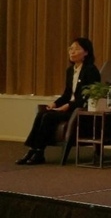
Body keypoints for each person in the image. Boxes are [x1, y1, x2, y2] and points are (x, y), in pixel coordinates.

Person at [16, 37, 101, 165]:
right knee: (42, 113)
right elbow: (67, 94)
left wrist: (68, 106)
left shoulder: (91, 70)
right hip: (68, 108)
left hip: (79, 110)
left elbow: (87, 96)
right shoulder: (70, 71)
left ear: (86, 52)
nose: (72, 52)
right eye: (71, 49)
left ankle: (39, 152)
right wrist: (55, 103)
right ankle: (33, 150)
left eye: (76, 49)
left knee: (48, 117)